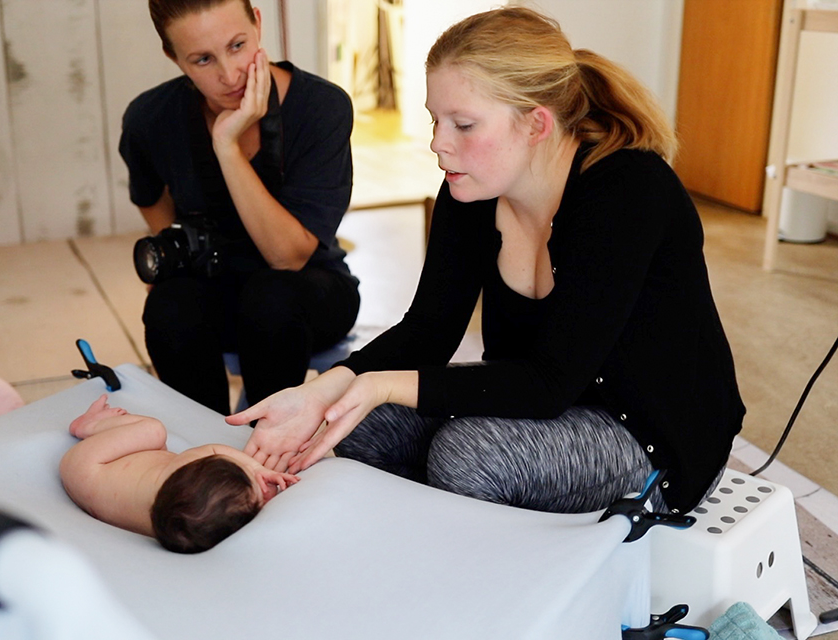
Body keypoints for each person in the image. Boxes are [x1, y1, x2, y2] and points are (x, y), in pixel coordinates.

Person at [229, 7, 746, 517]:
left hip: (651, 434)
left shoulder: (628, 190)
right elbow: (427, 332)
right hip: (542, 399)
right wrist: (323, 391)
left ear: (535, 124)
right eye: (436, 119)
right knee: (355, 421)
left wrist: (377, 384)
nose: (438, 143)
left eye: (464, 124)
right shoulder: (470, 189)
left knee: (468, 455)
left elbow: (551, 383)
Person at [119, 0, 360, 415]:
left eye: (237, 45)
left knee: (271, 297)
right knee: (168, 305)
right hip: (217, 289)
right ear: (173, 58)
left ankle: (267, 443)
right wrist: (174, 253)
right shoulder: (150, 116)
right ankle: (202, 447)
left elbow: (289, 256)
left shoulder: (321, 107)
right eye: (202, 59)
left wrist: (227, 147)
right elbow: (149, 196)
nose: (229, 75)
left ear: (258, 25)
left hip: (309, 290)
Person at [60, 395, 299, 553]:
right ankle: (89, 426)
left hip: (89, 464)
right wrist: (257, 473)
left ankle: (90, 425)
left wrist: (256, 469)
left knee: (153, 431)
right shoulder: (183, 527)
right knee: (157, 443)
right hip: (91, 479)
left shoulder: (183, 474)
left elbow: (214, 450)